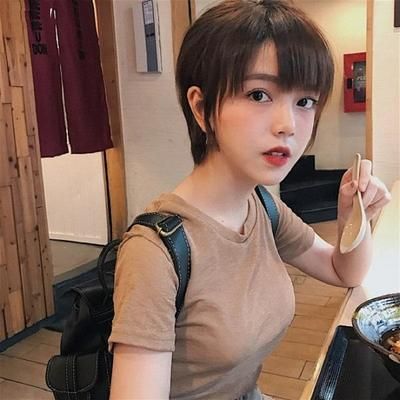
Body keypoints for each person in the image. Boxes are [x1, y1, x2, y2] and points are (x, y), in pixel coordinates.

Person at [108, 1, 391, 399]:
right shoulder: (155, 252)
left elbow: (344, 272)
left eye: (305, 101)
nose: (287, 125)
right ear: (202, 108)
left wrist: (352, 219)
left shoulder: (261, 206)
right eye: (259, 94)